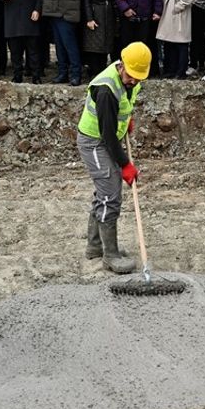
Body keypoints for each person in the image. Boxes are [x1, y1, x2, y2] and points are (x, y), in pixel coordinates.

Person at [76, 42, 150, 274]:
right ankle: (110, 255)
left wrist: (124, 119)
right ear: (122, 66)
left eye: (139, 78)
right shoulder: (106, 89)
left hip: (107, 138)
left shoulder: (130, 81)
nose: (134, 81)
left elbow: (121, 108)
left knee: (105, 192)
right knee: (110, 194)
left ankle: (96, 246)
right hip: (94, 142)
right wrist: (125, 165)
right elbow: (107, 136)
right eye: (131, 76)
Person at [39, 0, 83, 85]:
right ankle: (63, 73)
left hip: (65, 14)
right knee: (59, 46)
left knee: (69, 45)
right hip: (57, 13)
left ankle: (75, 74)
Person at [82, 0, 119, 78]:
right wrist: (89, 18)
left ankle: (103, 73)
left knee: (105, 45)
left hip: (108, 15)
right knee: (94, 46)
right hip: (95, 13)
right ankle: (93, 73)